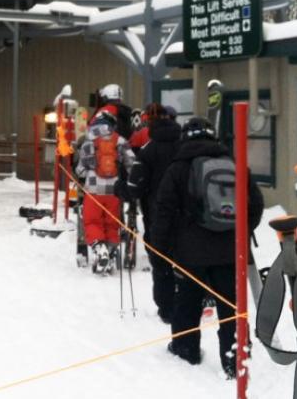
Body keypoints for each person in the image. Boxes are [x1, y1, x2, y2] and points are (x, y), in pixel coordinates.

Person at [152, 117, 263, 378]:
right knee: (229, 305)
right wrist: (239, 231)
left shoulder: (178, 168)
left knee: (187, 303)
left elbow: (163, 213)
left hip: (190, 253)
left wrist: (161, 252)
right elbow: (255, 205)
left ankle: (185, 350)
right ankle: (235, 360)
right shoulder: (234, 165)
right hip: (229, 251)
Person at [127, 103, 181, 323]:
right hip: (186, 215)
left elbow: (135, 186)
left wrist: (122, 188)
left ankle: (167, 309)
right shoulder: (184, 146)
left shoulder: (149, 149)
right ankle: (195, 298)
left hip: (157, 215)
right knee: (186, 258)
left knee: (160, 263)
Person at [75, 83, 135, 274]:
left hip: (94, 191)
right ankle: (109, 252)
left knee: (92, 222)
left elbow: (80, 170)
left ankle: (99, 249)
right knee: (112, 222)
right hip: (115, 190)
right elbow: (132, 164)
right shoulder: (120, 140)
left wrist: (87, 175)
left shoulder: (89, 141)